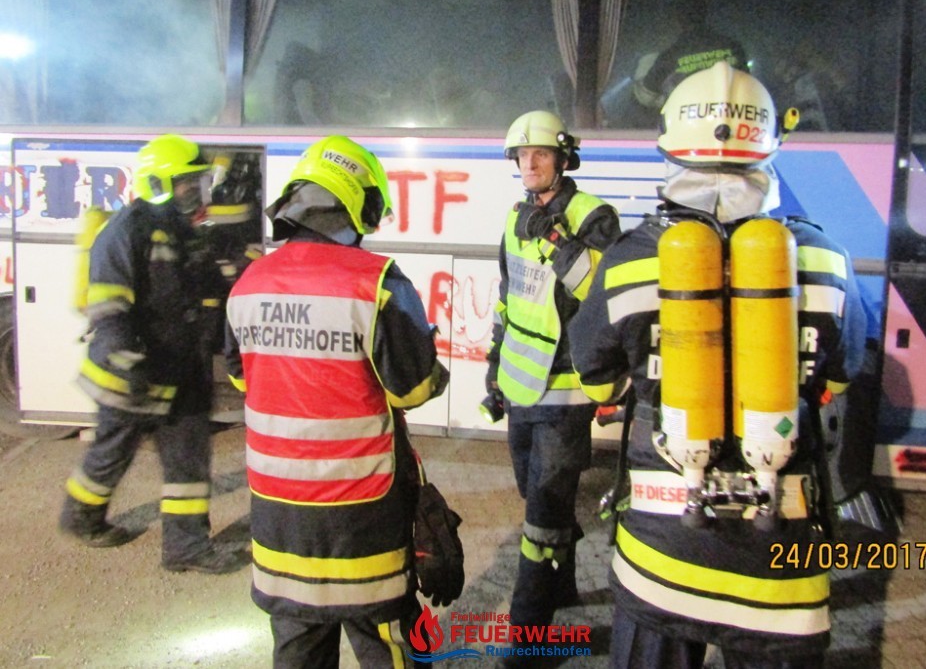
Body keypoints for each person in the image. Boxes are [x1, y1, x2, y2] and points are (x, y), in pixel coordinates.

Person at [570, 61, 866, 667]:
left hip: (664, 552)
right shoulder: (826, 260)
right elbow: (839, 375)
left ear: (671, 148)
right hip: (779, 563)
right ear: (769, 149)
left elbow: (595, 377)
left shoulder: (630, 260)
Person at [225, 135, 450, 668]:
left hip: (278, 516)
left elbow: (241, 378)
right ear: (359, 204)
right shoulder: (378, 283)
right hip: (362, 518)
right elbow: (413, 389)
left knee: (298, 649)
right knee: (387, 647)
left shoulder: (250, 281)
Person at [60, 133, 246, 575]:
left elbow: (204, 288)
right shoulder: (125, 231)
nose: (195, 190)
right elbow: (109, 308)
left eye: (198, 181)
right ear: (158, 182)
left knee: (188, 461)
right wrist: (128, 364)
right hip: (133, 373)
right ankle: (80, 518)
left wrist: (243, 275)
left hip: (180, 373)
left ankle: (186, 548)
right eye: (186, 182)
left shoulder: (185, 230)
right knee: (111, 453)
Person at [485, 110, 621, 658]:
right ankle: (561, 590)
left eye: (540, 153)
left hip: (565, 393)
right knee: (536, 497)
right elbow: (509, 295)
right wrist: (494, 365)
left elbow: (605, 295)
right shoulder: (515, 216)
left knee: (542, 514)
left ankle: (530, 640)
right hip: (521, 386)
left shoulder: (594, 216)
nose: (530, 163)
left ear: (563, 159)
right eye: (522, 155)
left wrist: (561, 242)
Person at [601, 0, 748, 129]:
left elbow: (646, 97)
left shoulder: (670, 56)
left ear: (679, 20)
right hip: (734, 125)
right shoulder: (733, 47)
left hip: (691, 127)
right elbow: (748, 85)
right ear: (704, 15)